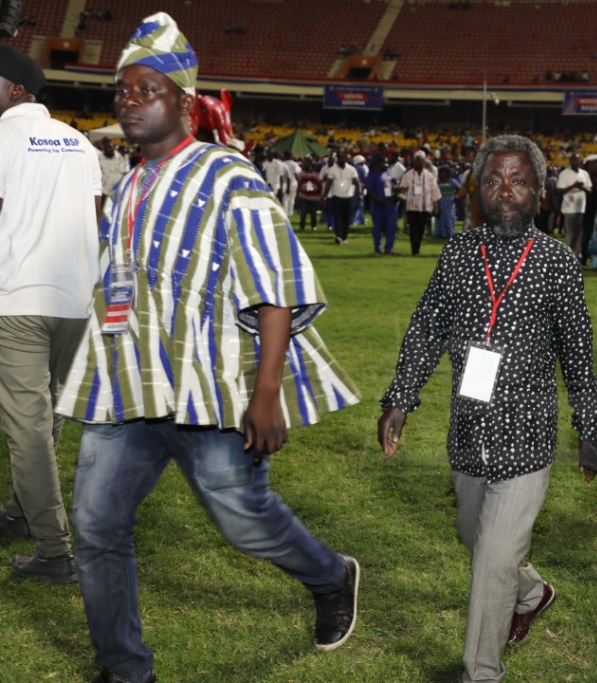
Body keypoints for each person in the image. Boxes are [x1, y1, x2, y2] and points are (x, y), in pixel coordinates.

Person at [54, 14, 362, 682]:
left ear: (185, 102)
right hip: (131, 386)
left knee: (243, 521)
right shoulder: (131, 182)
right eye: (122, 92)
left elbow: (276, 283)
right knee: (95, 523)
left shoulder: (229, 176)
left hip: (209, 387)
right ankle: (124, 668)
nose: (129, 101)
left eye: (146, 90)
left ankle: (331, 575)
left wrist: (266, 392)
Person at [377, 134, 597, 683]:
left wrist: (589, 428)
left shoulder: (555, 261)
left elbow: (577, 351)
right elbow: (427, 327)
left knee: (489, 562)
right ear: (478, 191)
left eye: (519, 180)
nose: (506, 191)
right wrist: (400, 399)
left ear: (538, 190)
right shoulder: (460, 253)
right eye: (493, 180)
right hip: (467, 435)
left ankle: (481, 672)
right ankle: (532, 593)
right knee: (475, 537)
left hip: (527, 440)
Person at [0, 44, 102, 584]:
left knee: (27, 426)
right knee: (47, 417)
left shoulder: (3, 136)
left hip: (18, 298)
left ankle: (55, 550)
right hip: (74, 300)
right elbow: (95, 215)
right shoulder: (79, 141)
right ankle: (20, 511)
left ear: (17, 89)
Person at [398, 150, 441, 256]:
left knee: (421, 229)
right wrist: (402, 204)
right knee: (413, 229)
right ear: (413, 161)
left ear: (424, 161)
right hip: (411, 207)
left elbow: (434, 191)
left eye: (420, 160)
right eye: (416, 160)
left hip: (425, 207)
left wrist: (436, 206)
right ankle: (414, 250)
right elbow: (403, 191)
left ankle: (417, 249)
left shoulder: (429, 176)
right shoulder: (407, 175)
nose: (418, 162)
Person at [556, 154, 592, 258]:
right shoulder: (564, 174)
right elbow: (559, 191)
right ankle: (566, 257)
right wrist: (573, 186)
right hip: (569, 208)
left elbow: (590, 190)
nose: (574, 162)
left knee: (578, 235)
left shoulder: (584, 173)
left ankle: (574, 256)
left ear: (580, 161)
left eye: (576, 160)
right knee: (570, 234)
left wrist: (582, 187)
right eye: (572, 160)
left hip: (581, 207)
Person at [323, 152, 360, 245]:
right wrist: (324, 196)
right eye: (338, 158)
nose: (339, 160)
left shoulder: (352, 169)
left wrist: (359, 193)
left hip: (348, 197)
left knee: (346, 218)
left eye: (341, 158)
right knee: (337, 217)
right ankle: (338, 236)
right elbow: (328, 183)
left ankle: (344, 236)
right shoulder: (332, 169)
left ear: (346, 159)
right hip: (337, 196)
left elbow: (357, 182)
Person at [366, 153, 398, 254]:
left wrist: (396, 192)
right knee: (378, 228)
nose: (387, 164)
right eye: (385, 162)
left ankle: (389, 248)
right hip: (378, 206)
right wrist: (381, 201)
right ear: (378, 163)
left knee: (391, 227)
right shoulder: (372, 175)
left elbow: (390, 188)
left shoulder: (387, 175)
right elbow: (370, 191)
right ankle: (377, 248)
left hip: (389, 205)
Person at [97, 137, 129, 204]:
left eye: (112, 147)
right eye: (108, 147)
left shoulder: (119, 157)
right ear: (103, 148)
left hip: (117, 191)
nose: (110, 149)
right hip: (103, 192)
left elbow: (125, 172)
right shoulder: (98, 158)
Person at [296, 157, 323, 231]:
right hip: (304, 196)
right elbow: (299, 185)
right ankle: (302, 226)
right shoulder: (301, 174)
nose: (304, 164)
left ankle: (313, 226)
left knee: (313, 213)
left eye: (306, 163)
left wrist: (321, 196)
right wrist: (297, 195)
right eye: (304, 163)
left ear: (310, 164)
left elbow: (320, 185)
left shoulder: (316, 175)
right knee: (303, 213)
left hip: (314, 197)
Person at [434, 165, 458, 238]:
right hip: (440, 201)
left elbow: (459, 188)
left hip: (449, 203)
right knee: (440, 217)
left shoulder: (452, 181)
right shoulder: (438, 182)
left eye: (445, 173)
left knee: (449, 217)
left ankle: (449, 233)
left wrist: (455, 196)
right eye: (442, 173)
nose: (443, 174)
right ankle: (440, 233)